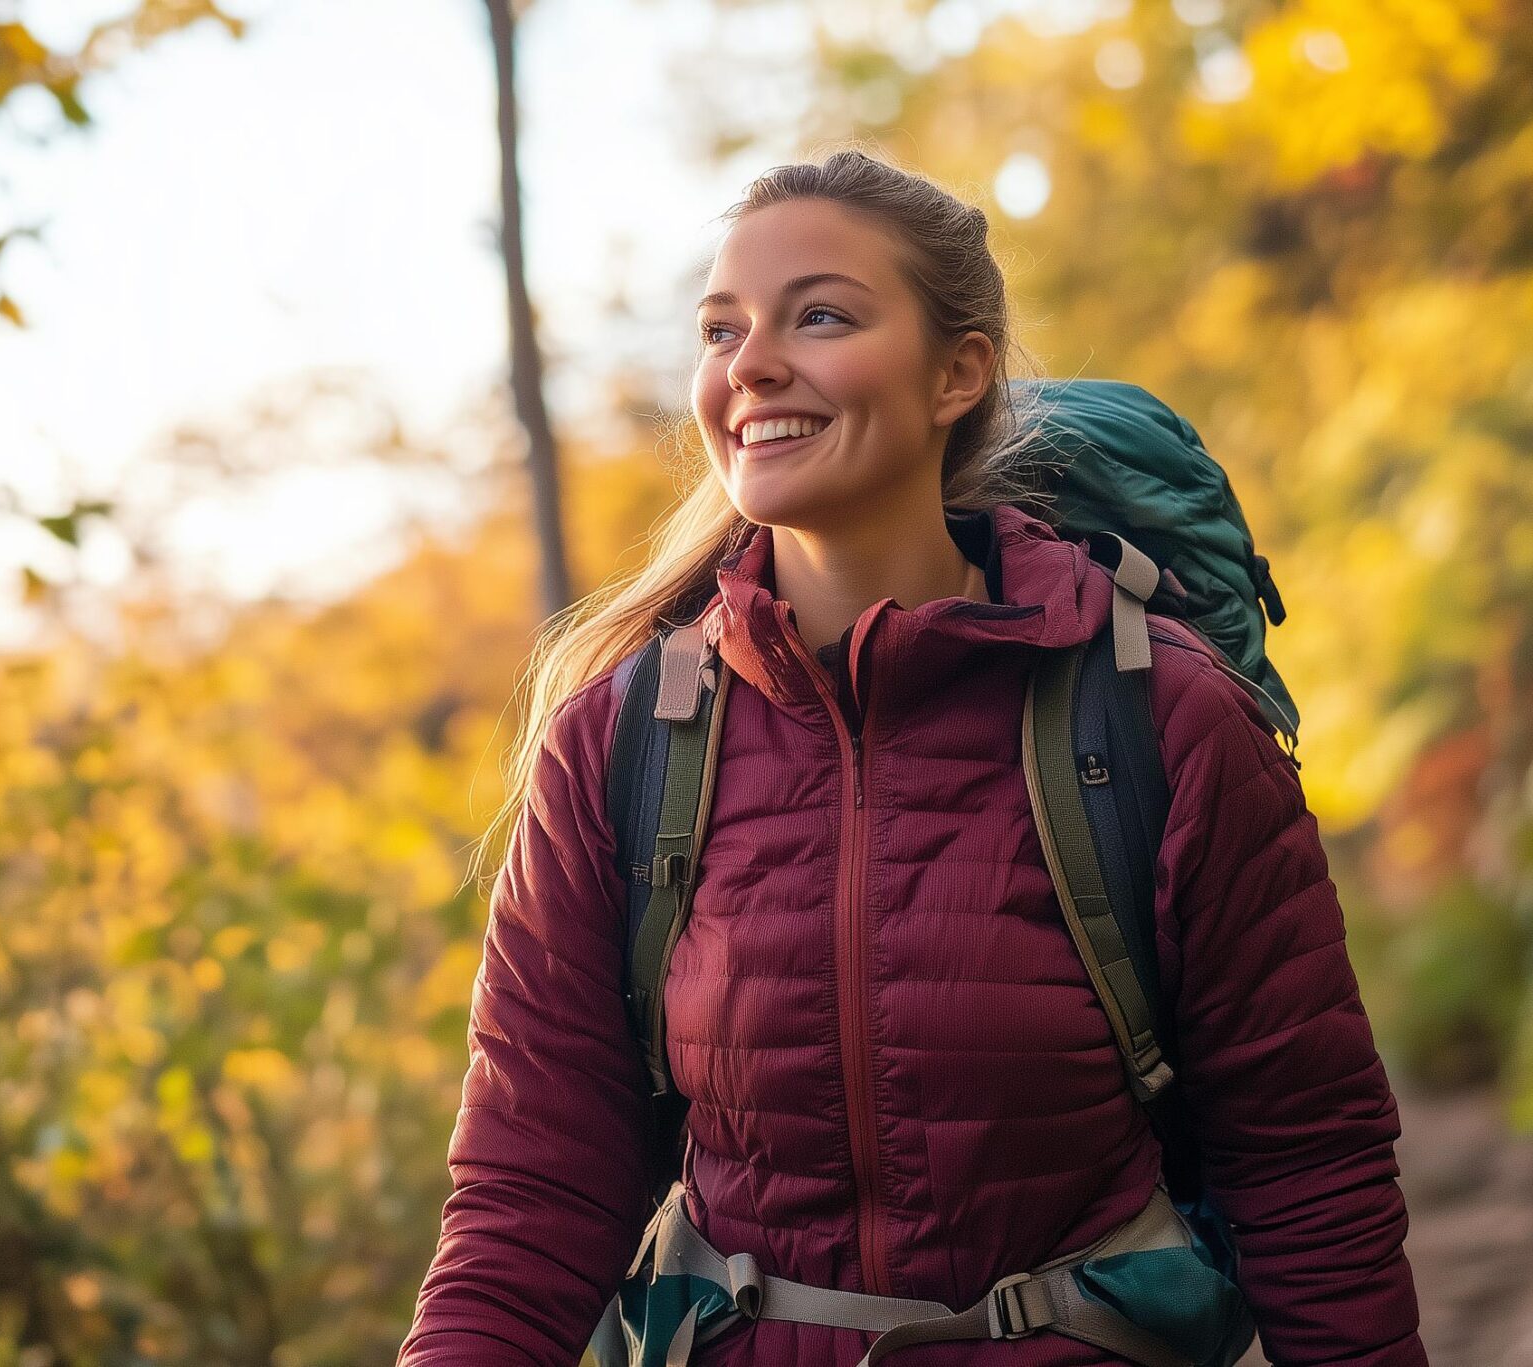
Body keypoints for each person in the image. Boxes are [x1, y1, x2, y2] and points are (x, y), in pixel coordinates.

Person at [399, 148, 1426, 1366]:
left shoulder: (1159, 722)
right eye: (721, 329)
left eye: (818, 315)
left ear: (958, 372)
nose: (750, 364)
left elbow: (1306, 1166)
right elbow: (530, 1193)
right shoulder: (623, 743)